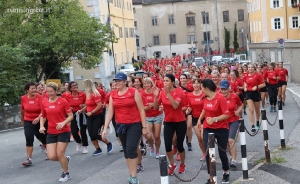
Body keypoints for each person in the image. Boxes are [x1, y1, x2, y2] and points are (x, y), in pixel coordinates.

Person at [102, 72, 148, 184]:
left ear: (125, 82)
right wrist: (105, 128)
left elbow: (141, 110)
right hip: (121, 125)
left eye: (118, 81)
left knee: (131, 149)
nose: (116, 83)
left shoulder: (133, 92)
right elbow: (110, 113)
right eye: (115, 81)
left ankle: (134, 176)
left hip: (134, 124)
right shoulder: (113, 95)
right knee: (127, 152)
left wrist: (144, 126)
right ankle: (132, 174)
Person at [39, 82, 73, 182]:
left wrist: (63, 122)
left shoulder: (63, 101)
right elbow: (43, 116)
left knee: (59, 154)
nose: (49, 93)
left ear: (56, 91)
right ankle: (65, 159)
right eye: (47, 91)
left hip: (63, 131)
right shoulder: (44, 102)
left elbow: (71, 116)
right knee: (51, 156)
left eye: (51, 91)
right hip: (51, 132)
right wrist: (41, 126)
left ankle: (66, 173)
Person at [153, 74, 187, 175]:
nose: (165, 83)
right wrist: (155, 96)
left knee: (180, 146)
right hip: (168, 121)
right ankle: (172, 164)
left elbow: (176, 106)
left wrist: (168, 94)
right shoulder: (162, 92)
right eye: (164, 81)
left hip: (180, 121)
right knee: (168, 145)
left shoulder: (179, 91)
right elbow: (155, 107)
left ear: (172, 82)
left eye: (167, 81)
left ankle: (182, 164)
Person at [197, 79, 230, 184]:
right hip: (208, 128)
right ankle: (211, 176)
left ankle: (226, 172)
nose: (201, 90)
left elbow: (226, 114)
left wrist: (215, 119)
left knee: (222, 153)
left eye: (202, 88)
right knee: (208, 153)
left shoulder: (220, 98)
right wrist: (199, 119)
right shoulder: (205, 98)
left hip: (221, 128)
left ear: (207, 88)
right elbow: (205, 109)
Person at [81, 79, 113, 156]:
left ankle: (108, 144)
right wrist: (81, 110)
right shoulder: (87, 94)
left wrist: (92, 112)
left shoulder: (95, 94)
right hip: (89, 117)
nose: (83, 86)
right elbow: (88, 105)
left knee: (95, 134)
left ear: (88, 85)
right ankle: (98, 149)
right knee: (91, 134)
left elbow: (99, 105)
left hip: (97, 116)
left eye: (84, 85)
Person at [219, 80, 243, 169]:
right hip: (223, 122)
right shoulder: (218, 97)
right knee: (225, 143)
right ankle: (231, 156)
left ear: (229, 88)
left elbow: (241, 105)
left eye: (225, 89)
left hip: (233, 120)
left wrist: (238, 111)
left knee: (230, 140)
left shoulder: (234, 96)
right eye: (222, 89)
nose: (224, 91)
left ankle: (234, 160)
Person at [20, 82, 43, 166]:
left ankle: (49, 151)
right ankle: (29, 159)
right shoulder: (23, 98)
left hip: (40, 120)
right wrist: (22, 119)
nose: (34, 90)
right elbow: (22, 110)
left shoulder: (39, 97)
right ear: (27, 90)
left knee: (42, 137)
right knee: (29, 138)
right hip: (28, 120)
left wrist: (38, 118)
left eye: (34, 88)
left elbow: (43, 110)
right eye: (32, 89)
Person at [141, 77, 163, 159]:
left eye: (148, 83)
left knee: (157, 136)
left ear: (151, 84)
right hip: (147, 116)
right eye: (145, 83)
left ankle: (157, 151)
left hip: (157, 115)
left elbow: (161, 102)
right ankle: (152, 146)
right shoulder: (142, 93)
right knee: (148, 136)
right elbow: (140, 105)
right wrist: (146, 106)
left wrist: (155, 104)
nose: (146, 85)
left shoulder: (156, 92)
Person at [63, 81, 88, 153]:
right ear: (70, 88)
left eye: (76, 85)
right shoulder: (67, 96)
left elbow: (87, 104)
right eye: (73, 86)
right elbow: (65, 106)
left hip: (81, 113)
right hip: (73, 115)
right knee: (74, 132)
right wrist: (69, 108)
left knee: (83, 131)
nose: (75, 86)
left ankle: (85, 146)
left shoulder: (82, 94)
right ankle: (79, 142)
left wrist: (83, 106)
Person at [185, 78, 206, 160]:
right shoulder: (189, 95)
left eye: (198, 83)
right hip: (195, 118)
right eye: (194, 83)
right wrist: (188, 110)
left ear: (200, 85)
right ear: (192, 85)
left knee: (203, 136)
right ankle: (204, 153)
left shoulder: (204, 94)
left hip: (204, 117)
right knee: (199, 138)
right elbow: (190, 106)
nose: (196, 85)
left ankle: (209, 150)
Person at [244, 64, 266, 132]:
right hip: (248, 93)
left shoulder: (258, 75)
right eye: (249, 67)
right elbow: (245, 82)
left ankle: (257, 122)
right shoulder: (246, 75)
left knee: (257, 110)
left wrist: (256, 87)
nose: (250, 69)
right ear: (247, 68)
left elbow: (264, 84)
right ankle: (252, 126)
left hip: (256, 93)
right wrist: (245, 87)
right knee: (251, 110)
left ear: (254, 68)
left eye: (251, 67)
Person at [104, 81, 123, 151]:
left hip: (122, 114)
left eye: (115, 85)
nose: (114, 87)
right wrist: (109, 108)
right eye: (113, 86)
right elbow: (105, 102)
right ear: (111, 87)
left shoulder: (121, 93)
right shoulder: (109, 94)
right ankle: (121, 144)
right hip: (114, 115)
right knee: (117, 129)